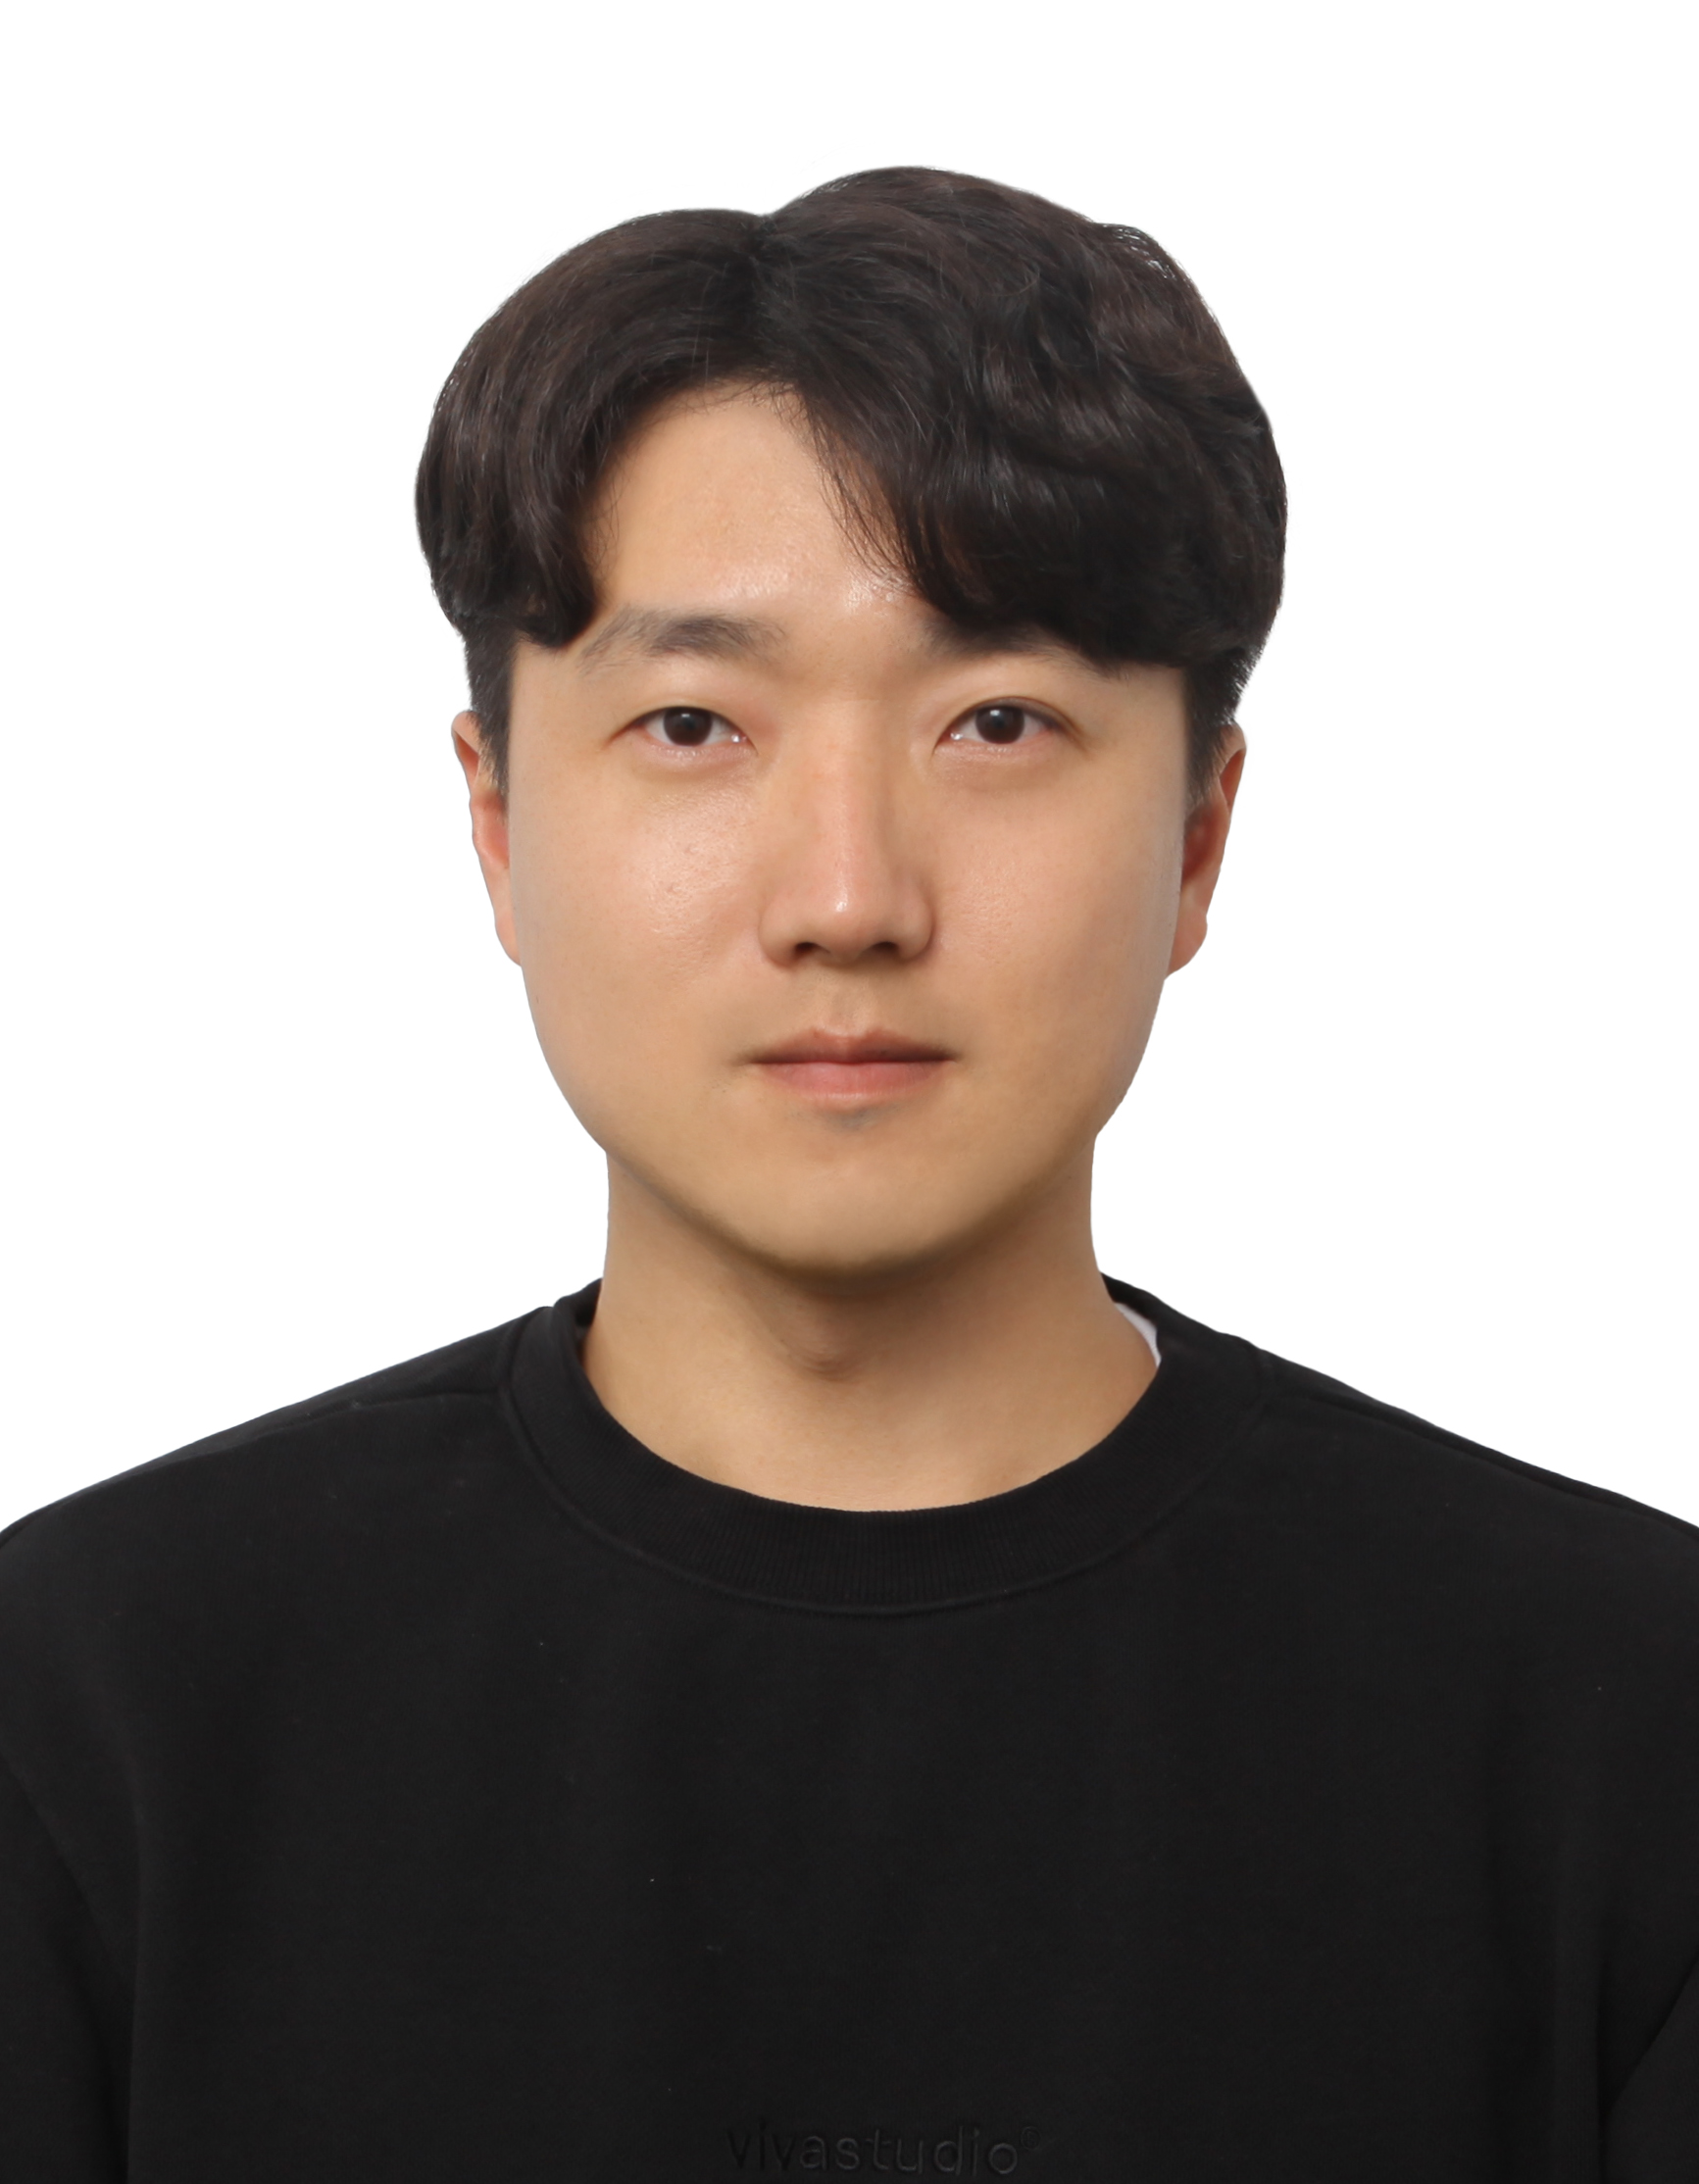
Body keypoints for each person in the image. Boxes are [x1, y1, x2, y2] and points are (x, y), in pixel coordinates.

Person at [2, 167, 1694, 2182]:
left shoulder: (1622, 1727)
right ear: (498, 825)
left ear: (1197, 840)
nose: (846, 896)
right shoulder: (94, 1712)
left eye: (997, 722)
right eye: (693, 723)